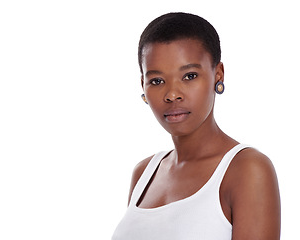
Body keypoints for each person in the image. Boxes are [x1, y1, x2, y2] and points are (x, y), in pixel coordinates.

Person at [112, 12, 281, 240]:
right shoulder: (144, 174)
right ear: (143, 84)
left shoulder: (246, 170)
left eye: (189, 76)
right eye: (157, 81)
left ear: (217, 75)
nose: (172, 95)